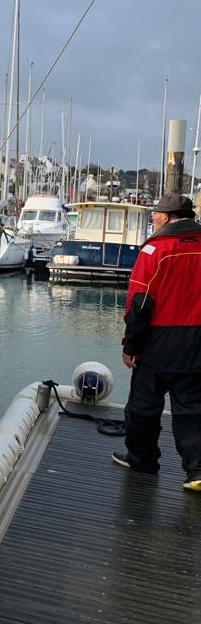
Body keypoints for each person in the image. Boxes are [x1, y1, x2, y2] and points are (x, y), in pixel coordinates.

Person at [113, 193, 201, 490]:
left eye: (155, 214)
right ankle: (197, 470)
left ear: (166, 217)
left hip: (159, 339)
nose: (152, 218)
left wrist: (130, 345)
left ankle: (143, 461)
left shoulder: (156, 249)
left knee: (143, 406)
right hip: (198, 340)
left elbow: (140, 302)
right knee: (192, 407)